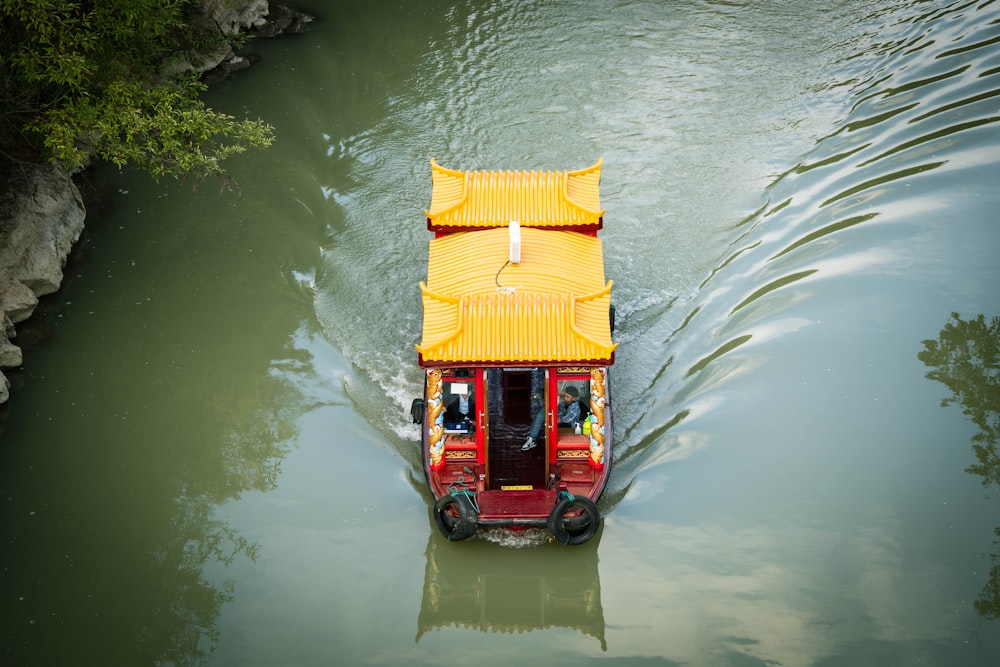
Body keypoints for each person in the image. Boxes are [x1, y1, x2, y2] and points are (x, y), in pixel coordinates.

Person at [522, 385, 582, 450]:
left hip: (570, 426)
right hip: (561, 421)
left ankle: (538, 441)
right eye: (565, 396)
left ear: (573, 398)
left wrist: (557, 419)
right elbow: (561, 412)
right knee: (539, 416)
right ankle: (531, 439)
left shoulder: (574, 406)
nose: (565, 398)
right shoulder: (564, 403)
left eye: (568, 397)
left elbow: (568, 419)